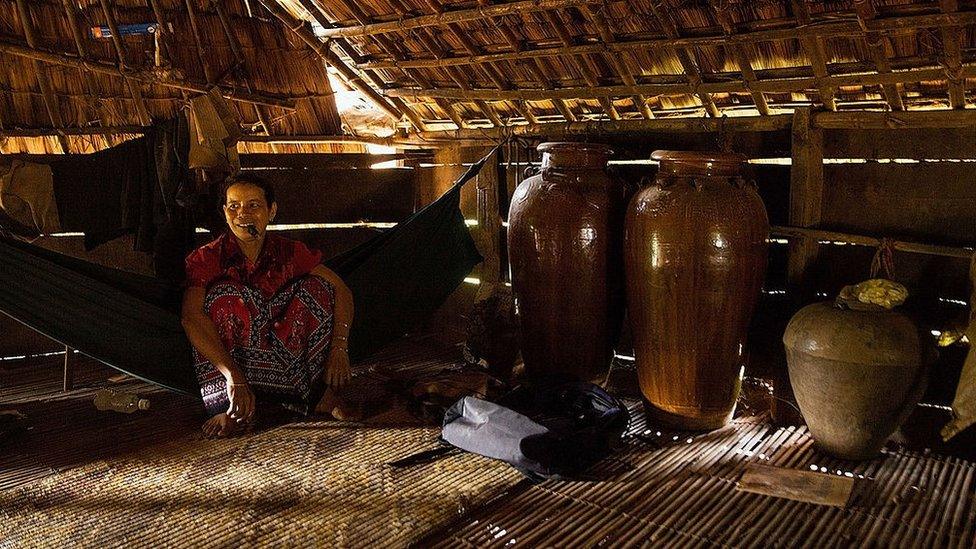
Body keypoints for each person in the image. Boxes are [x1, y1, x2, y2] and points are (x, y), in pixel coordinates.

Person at [181, 174, 353, 437]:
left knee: (316, 288)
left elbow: (341, 290)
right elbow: (190, 318)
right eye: (234, 206)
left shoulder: (290, 252)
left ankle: (311, 394)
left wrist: (340, 345)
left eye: (253, 205)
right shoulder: (207, 258)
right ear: (224, 212)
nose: (242, 214)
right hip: (235, 367)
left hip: (283, 343)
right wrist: (232, 375)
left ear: (271, 211)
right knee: (224, 296)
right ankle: (231, 405)